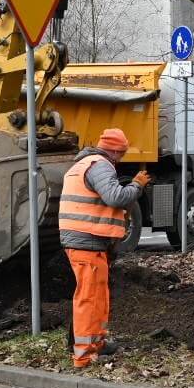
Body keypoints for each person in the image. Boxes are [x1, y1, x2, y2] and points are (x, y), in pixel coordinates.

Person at [59, 128, 151, 368]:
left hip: (88, 241)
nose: (120, 158)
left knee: (98, 295)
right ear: (113, 150)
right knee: (89, 297)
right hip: (86, 241)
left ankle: (96, 343)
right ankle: (83, 355)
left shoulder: (84, 164)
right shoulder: (99, 165)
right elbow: (115, 197)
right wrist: (137, 186)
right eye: (120, 153)